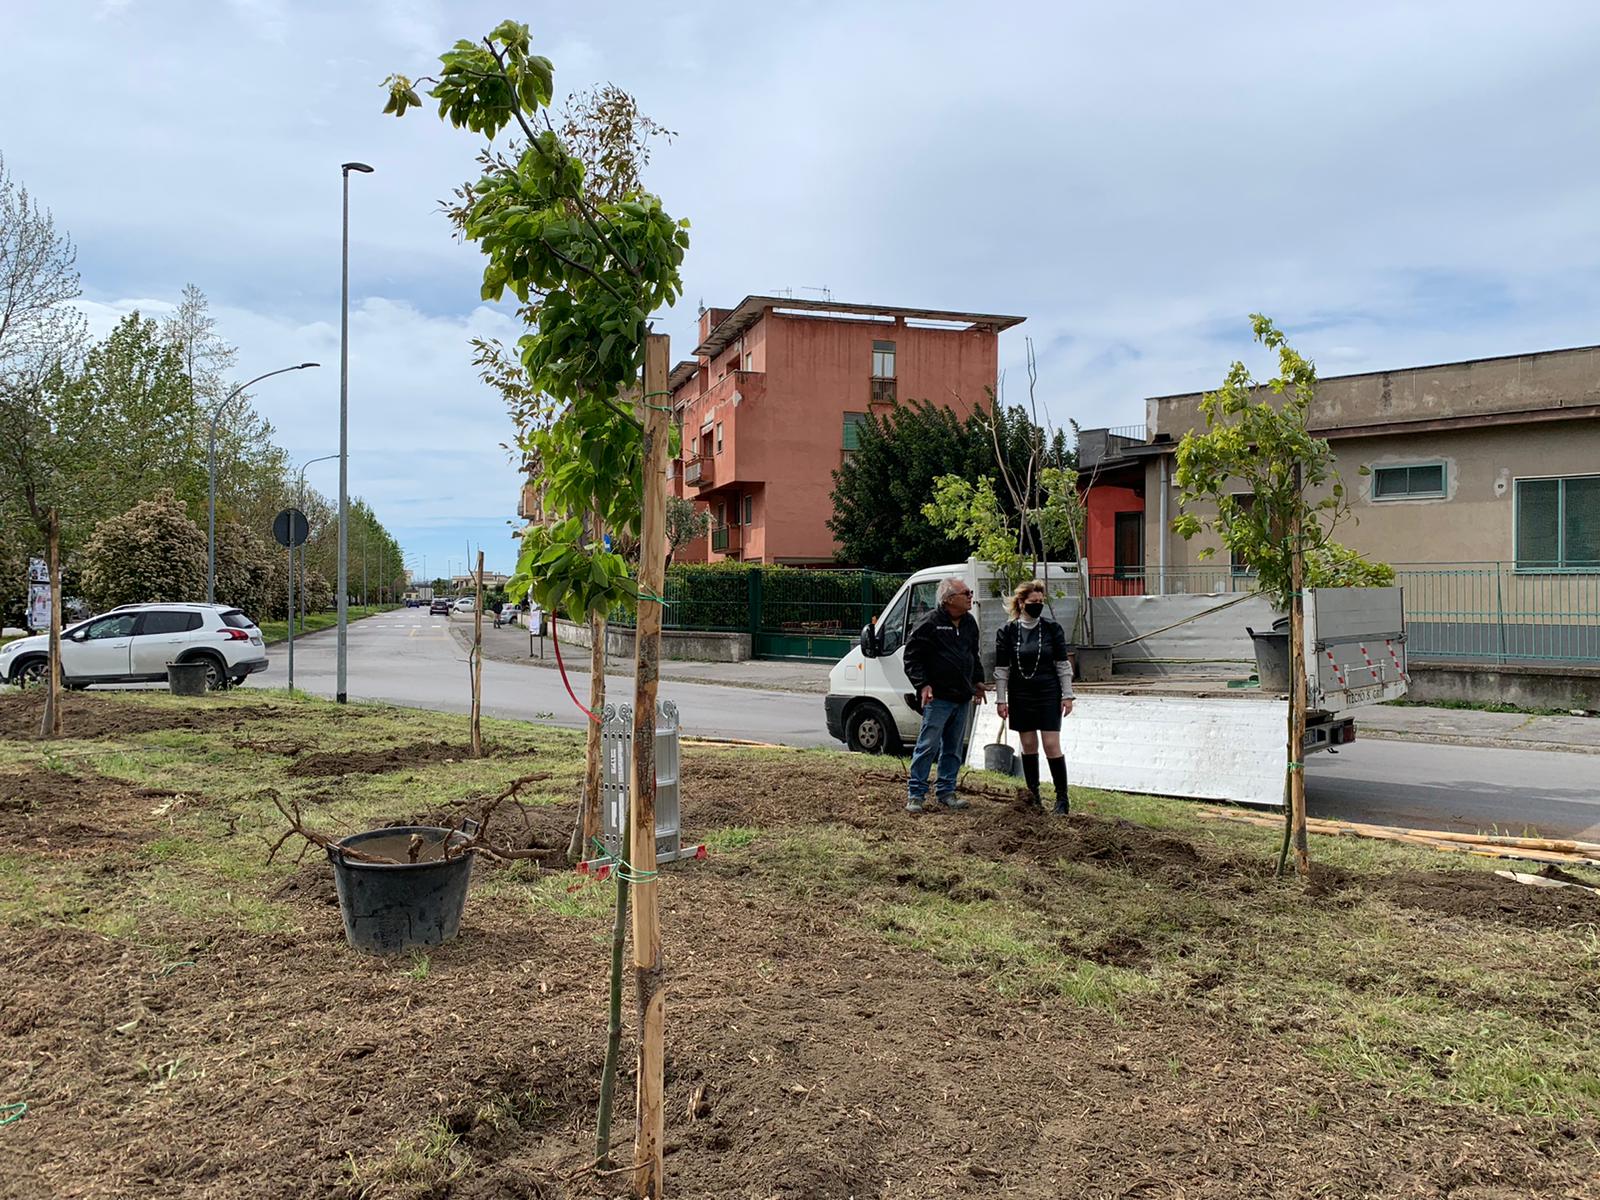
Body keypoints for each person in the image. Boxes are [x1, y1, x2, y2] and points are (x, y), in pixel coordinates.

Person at [902, 576, 987, 814]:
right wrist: (923, 684)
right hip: (938, 698)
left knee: (953, 747)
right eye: (966, 593)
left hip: (961, 697)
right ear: (949, 599)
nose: (971, 597)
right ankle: (916, 794)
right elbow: (911, 658)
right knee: (927, 746)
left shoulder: (969, 623)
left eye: (970, 592)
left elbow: (973, 654)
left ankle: (946, 792)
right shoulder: (929, 623)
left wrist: (977, 682)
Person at [994, 579, 1075, 815]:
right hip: (1020, 692)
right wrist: (1001, 700)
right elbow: (1002, 669)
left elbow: (1063, 664)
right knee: (1028, 744)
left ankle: (1062, 798)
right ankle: (1033, 795)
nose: (1038, 605)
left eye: (1041, 601)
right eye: (1033, 602)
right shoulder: (1007, 631)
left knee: (1051, 744)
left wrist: (1067, 695)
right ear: (1021, 602)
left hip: (1048, 691)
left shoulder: (1051, 628)